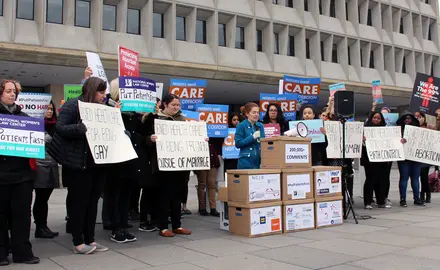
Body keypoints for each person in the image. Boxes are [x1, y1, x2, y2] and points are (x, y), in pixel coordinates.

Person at [48, 77, 110, 254]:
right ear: (91, 90)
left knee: (92, 203)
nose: (103, 95)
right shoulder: (72, 105)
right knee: (79, 204)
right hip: (77, 165)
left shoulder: (102, 109)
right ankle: (78, 241)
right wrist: (79, 128)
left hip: (96, 164)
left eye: (104, 92)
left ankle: (90, 239)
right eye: (100, 92)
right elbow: (60, 127)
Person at [0, 80, 39, 266]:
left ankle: (22, 252)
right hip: (1, 176)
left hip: (22, 176)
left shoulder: (25, 117)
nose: (12, 94)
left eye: (14, 91)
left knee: (22, 216)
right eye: (8, 91)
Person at [143, 94, 192, 237]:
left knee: (177, 195)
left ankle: (177, 225)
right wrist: (150, 139)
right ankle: (163, 226)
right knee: (164, 196)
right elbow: (144, 138)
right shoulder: (154, 119)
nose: (176, 108)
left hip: (179, 164)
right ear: (165, 104)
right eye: (173, 105)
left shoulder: (182, 120)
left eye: (178, 105)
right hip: (162, 164)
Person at [103, 78, 144, 244]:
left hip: (129, 159)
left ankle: (123, 226)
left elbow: (140, 132)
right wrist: (115, 113)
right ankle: (115, 228)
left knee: (125, 195)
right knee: (114, 195)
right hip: (114, 161)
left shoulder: (132, 112)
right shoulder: (107, 108)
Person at [33, 101, 60, 239]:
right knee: (41, 197)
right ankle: (40, 227)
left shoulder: (56, 125)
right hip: (40, 164)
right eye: (46, 109)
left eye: (51, 109)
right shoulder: (36, 124)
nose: (49, 111)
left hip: (52, 163)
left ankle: (44, 226)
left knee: (45, 198)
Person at [361, 112, 391, 209]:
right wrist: (363, 140)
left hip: (382, 159)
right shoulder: (365, 129)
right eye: (374, 118)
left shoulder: (385, 130)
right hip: (369, 159)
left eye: (378, 118)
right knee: (370, 180)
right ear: (371, 118)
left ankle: (381, 201)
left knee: (382, 180)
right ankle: (368, 202)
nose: (376, 120)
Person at [397, 111, 424, 207]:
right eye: (405, 118)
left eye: (409, 118)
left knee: (415, 178)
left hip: (415, 157)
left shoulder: (418, 130)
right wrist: (399, 140)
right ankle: (403, 199)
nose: (407, 120)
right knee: (404, 178)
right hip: (404, 158)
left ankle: (417, 198)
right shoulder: (398, 131)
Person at [196, 137, 222, 217]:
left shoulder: (214, 132)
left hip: (212, 158)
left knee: (212, 184)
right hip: (201, 159)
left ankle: (213, 208)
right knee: (202, 184)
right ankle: (202, 208)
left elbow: (220, 140)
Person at [235, 102, 265, 169]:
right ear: (247, 114)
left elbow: (263, 143)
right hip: (246, 162)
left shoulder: (260, 126)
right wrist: (252, 137)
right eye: (254, 112)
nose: (256, 114)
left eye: (257, 112)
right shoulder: (241, 126)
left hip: (259, 161)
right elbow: (238, 143)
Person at [415, 112, 432, 203]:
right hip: (418, 155)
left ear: (424, 118)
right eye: (416, 117)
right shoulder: (414, 127)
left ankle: (426, 193)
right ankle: (424, 193)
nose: (418, 118)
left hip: (427, 155)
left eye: (420, 117)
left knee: (424, 175)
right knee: (421, 175)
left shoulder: (428, 127)